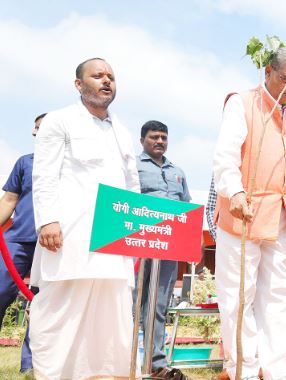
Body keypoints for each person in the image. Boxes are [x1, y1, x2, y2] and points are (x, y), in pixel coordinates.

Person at [30, 58, 141, 379]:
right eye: (98, 76)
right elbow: (45, 174)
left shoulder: (120, 129)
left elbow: (131, 184)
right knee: (61, 311)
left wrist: (131, 228)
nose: (107, 81)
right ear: (79, 84)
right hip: (70, 236)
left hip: (113, 239)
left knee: (113, 316)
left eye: (111, 77)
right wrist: (47, 220)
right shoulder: (59, 121)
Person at [212, 47, 286, 380]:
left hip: (281, 215)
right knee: (239, 293)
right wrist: (235, 191)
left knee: (280, 291)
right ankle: (243, 367)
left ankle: (276, 364)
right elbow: (225, 155)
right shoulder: (241, 101)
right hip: (244, 212)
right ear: (268, 72)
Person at [136, 120, 191, 379]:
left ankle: (155, 362)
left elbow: (187, 207)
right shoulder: (133, 166)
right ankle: (125, 359)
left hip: (169, 246)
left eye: (163, 137)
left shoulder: (178, 171)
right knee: (131, 302)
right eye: (154, 137)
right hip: (136, 243)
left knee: (158, 304)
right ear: (142, 140)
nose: (159, 141)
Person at [0, 113, 46, 373]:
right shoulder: (24, 163)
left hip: (52, 245)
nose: (43, 131)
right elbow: (8, 200)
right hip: (17, 241)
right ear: (34, 132)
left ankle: (29, 367)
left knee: (42, 306)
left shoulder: (69, 166)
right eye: (39, 128)